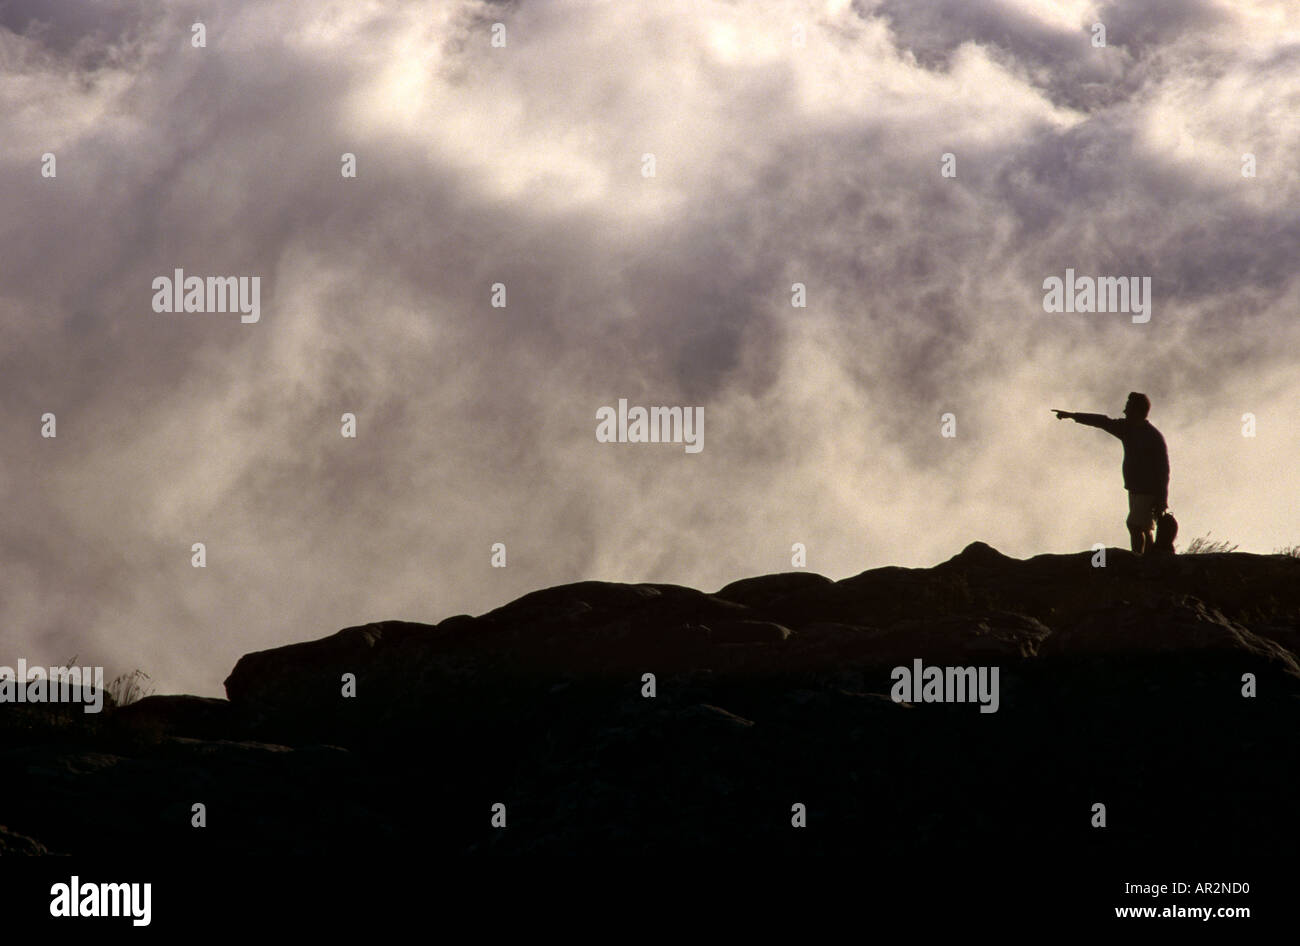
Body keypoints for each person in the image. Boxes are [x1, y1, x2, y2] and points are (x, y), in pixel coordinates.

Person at [1053, 393, 1170, 555]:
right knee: (1142, 526)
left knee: (1135, 525)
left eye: (1128, 408)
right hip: (1136, 489)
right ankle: (1148, 559)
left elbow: (1163, 471)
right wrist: (1073, 416)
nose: (1124, 411)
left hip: (1147, 490)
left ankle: (1140, 560)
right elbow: (1101, 421)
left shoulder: (1150, 436)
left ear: (1137, 411)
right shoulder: (1128, 429)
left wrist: (1162, 498)